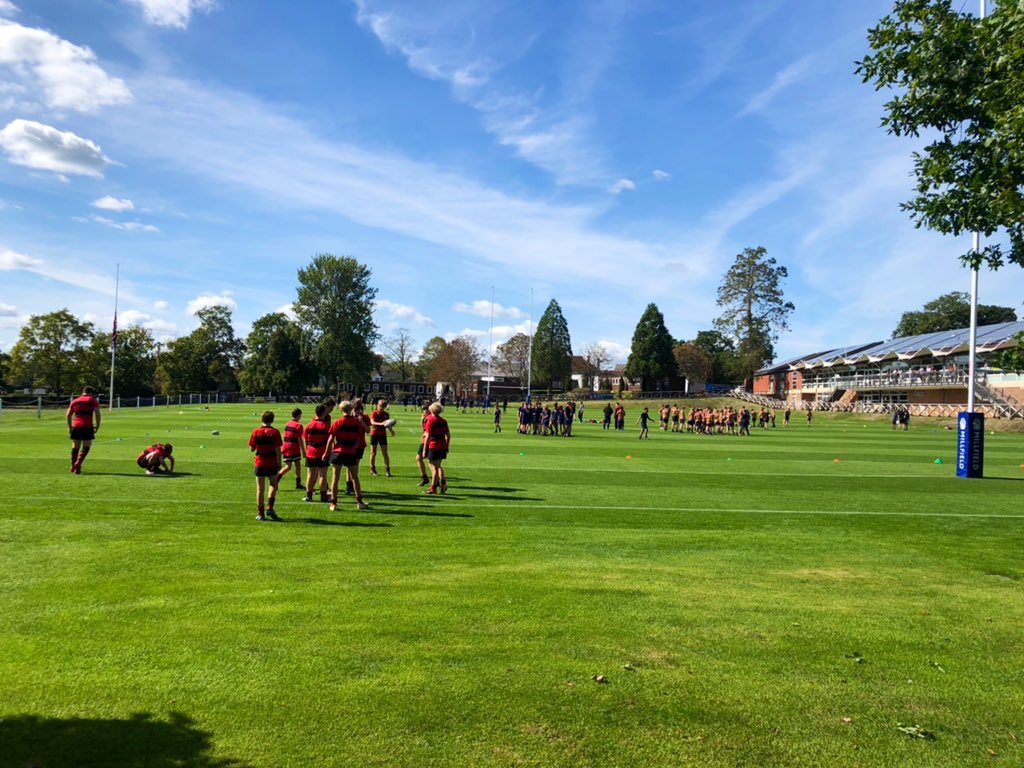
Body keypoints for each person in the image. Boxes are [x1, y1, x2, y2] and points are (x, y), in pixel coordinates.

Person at [325, 400, 369, 511]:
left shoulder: (337, 422)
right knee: (355, 478)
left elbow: (330, 439)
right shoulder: (356, 422)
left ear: (341, 409)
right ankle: (359, 502)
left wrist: (326, 453)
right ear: (351, 409)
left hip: (338, 452)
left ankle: (334, 503)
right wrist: (354, 448)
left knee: (335, 478)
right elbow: (358, 438)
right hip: (350, 452)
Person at [249, 411, 283, 522]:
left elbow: (252, 449)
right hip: (272, 462)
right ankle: (270, 508)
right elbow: (278, 449)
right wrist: (279, 462)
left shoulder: (256, 432)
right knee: (273, 484)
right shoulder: (275, 432)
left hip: (260, 462)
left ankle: (261, 514)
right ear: (272, 420)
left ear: (261, 419)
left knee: (260, 489)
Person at [66, 386, 101, 474]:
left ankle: (72, 466)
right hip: (87, 426)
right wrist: (97, 425)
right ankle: (78, 463)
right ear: (91, 393)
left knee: (75, 446)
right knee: (86, 446)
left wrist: (70, 427)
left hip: (76, 426)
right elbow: (97, 414)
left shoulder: (75, 401)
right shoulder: (92, 400)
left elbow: (68, 415)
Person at [303, 404, 331, 503]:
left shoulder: (309, 425)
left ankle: (309, 496)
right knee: (322, 475)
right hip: (322, 452)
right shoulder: (326, 425)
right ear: (324, 413)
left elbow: (306, 440)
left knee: (310, 475)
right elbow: (329, 440)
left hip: (310, 452)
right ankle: (323, 497)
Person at [422, 401, 450, 495]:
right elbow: (448, 435)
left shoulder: (431, 420)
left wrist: (424, 449)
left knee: (433, 467)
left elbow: (428, 436)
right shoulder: (444, 421)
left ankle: (433, 487)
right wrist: (446, 446)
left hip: (433, 445)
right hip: (442, 445)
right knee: (438, 466)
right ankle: (443, 483)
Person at [277, 407, 305, 490]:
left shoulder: (288, 423)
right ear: (299, 415)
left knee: (288, 466)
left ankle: (277, 478)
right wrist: (303, 451)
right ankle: (298, 483)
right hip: (294, 448)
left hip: (286, 447)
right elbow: (300, 439)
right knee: (297, 464)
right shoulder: (299, 425)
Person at [369, 398, 393, 477]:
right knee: (373, 453)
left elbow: (387, 425)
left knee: (385, 453)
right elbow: (372, 422)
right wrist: (381, 424)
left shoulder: (386, 414)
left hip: (383, 435)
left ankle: (388, 470)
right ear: (377, 405)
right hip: (374, 434)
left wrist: (392, 431)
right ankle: (373, 469)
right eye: (380, 406)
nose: (381, 407)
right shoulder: (374, 413)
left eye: (383, 406)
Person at [414, 402, 432, 486]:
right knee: (418, 458)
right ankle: (425, 478)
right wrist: (422, 421)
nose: (424, 411)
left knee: (432, 462)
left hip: (430, 441)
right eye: (423, 410)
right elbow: (424, 430)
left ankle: (438, 480)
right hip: (424, 440)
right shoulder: (425, 418)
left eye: (426, 410)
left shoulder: (431, 418)